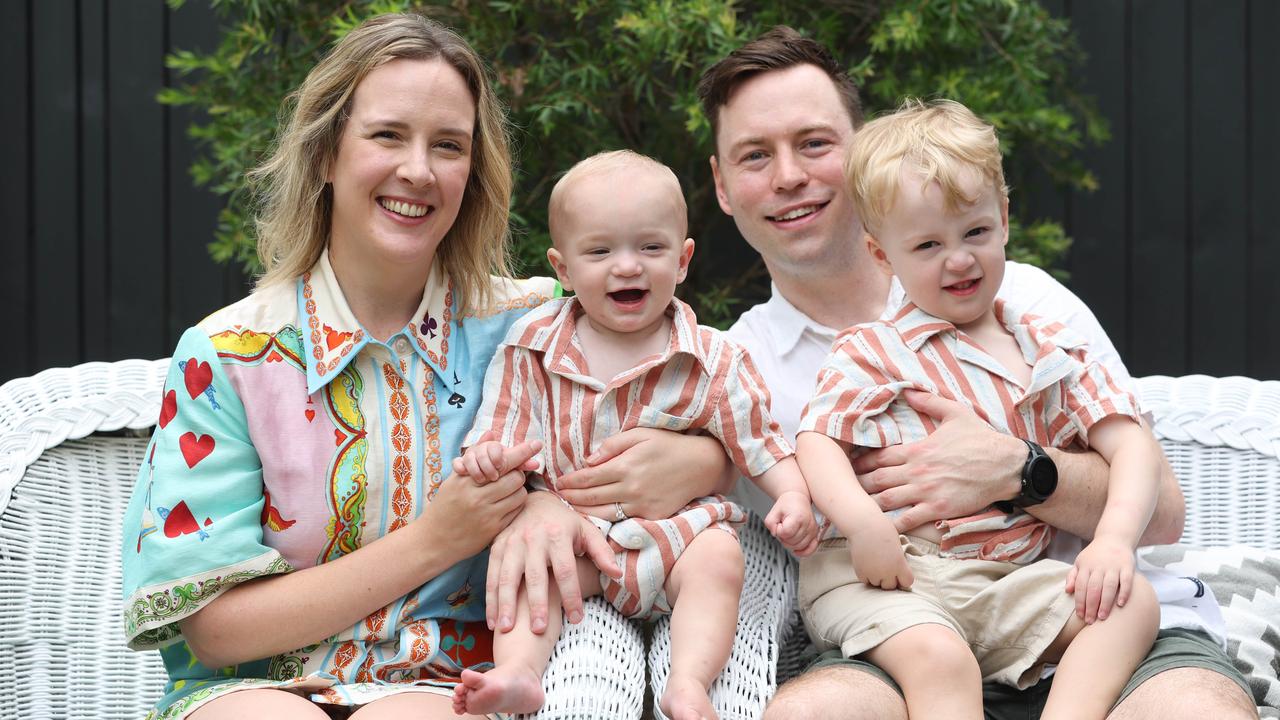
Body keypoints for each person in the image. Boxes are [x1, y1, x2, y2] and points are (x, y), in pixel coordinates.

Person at [120, 14, 721, 720]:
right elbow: (215, 631)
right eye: (386, 135)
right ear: (326, 154)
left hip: (445, 685)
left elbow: (701, 388)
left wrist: (703, 463)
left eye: (448, 145)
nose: (418, 169)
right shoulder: (228, 355)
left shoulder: (536, 325)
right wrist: (437, 540)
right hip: (251, 688)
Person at [698, 25, 1256, 720]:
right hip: (904, 625)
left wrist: (1018, 470)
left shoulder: (1029, 307)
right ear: (722, 186)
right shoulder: (730, 363)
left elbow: (1163, 509)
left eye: (814, 143)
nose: (788, 176)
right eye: (756, 155)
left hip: (1071, 607)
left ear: (862, 150)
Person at [793, 97, 1161, 720]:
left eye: (975, 233)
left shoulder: (1052, 346)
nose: (959, 258)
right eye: (928, 244)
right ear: (883, 255)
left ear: (1006, 219)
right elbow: (817, 442)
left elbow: (1133, 447)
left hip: (1002, 582)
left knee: (1133, 605)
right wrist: (863, 524)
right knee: (941, 661)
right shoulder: (876, 349)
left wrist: (1116, 541)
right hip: (890, 574)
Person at [448, 151, 818, 720]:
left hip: (679, 538)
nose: (627, 267)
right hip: (580, 540)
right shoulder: (533, 346)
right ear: (563, 268)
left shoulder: (713, 358)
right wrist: (491, 457)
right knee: (532, 570)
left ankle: (689, 681)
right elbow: (503, 428)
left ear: (684, 259)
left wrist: (792, 496)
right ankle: (519, 673)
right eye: (599, 251)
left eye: (650, 248)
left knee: (720, 558)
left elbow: (760, 442)